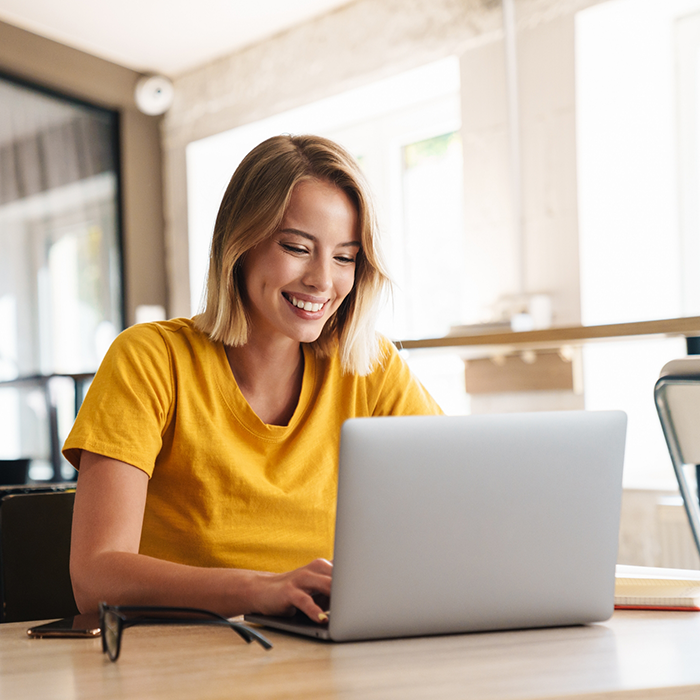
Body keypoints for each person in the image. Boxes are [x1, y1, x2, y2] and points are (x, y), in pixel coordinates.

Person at [64, 134, 442, 624]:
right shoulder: (151, 359)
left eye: (345, 257)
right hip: (179, 661)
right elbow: (95, 580)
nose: (323, 281)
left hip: (323, 654)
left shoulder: (370, 368)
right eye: (297, 248)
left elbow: (457, 509)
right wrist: (260, 589)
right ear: (239, 244)